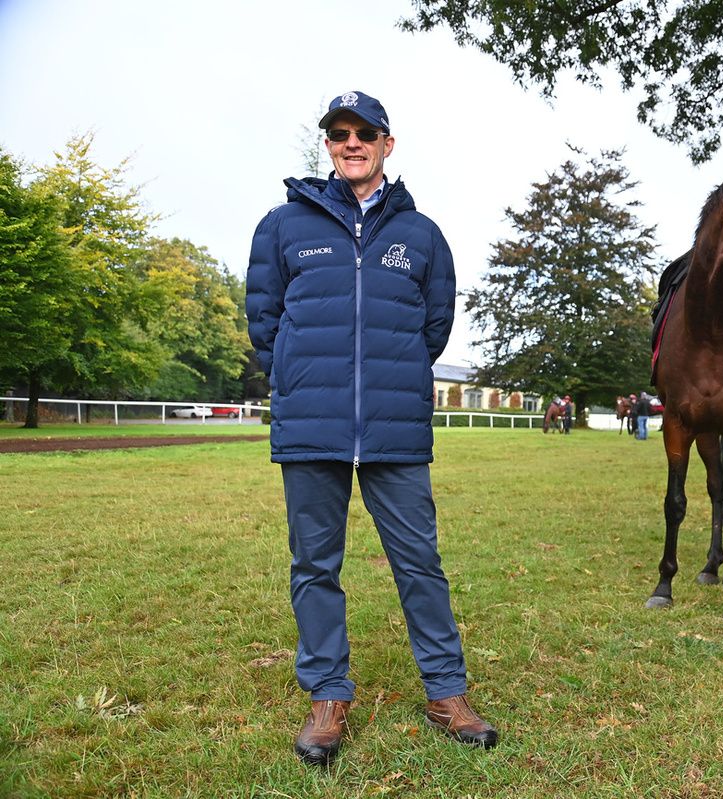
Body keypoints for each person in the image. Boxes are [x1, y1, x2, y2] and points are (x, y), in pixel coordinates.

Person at [246, 90, 498, 765]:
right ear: (327, 145)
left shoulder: (422, 235)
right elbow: (263, 323)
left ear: (388, 143)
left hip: (394, 427)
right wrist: (299, 377)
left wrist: (394, 373)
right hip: (310, 425)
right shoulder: (281, 226)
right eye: (339, 133)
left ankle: (447, 691)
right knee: (314, 565)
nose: (351, 142)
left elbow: (433, 327)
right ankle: (328, 694)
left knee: (420, 562)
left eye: (365, 132)